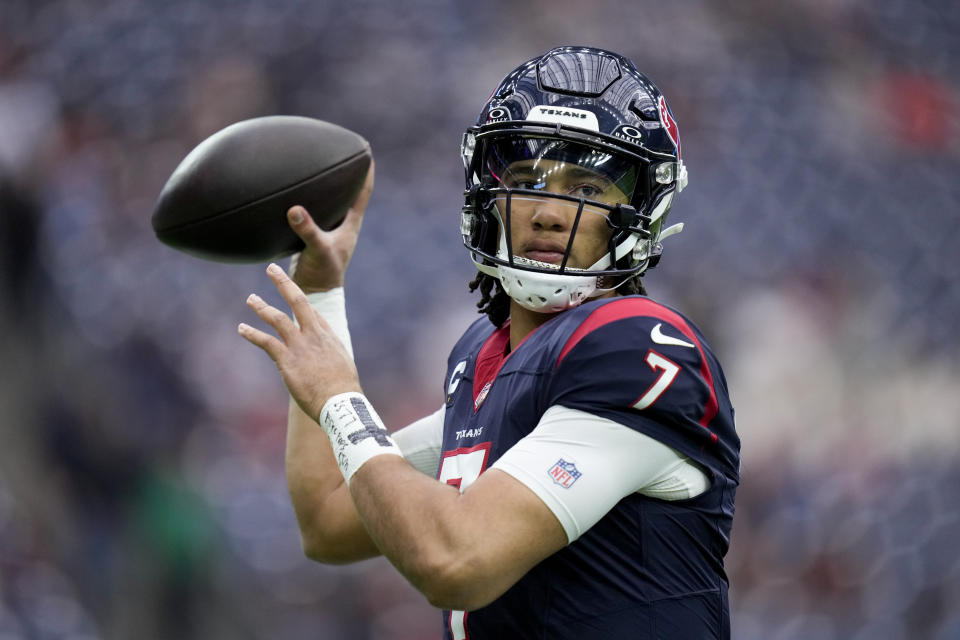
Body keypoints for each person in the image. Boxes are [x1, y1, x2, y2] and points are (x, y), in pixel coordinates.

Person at [239, 46, 740, 639]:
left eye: (587, 185)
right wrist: (321, 289)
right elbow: (326, 517)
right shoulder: (486, 357)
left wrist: (339, 399)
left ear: (639, 210)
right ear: (488, 197)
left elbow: (456, 561)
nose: (551, 212)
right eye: (526, 181)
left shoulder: (639, 345)